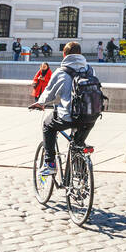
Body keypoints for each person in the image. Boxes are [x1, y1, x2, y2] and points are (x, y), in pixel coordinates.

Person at [33, 42, 104, 175]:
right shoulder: (90, 69)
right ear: (80, 54)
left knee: (48, 126)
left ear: (64, 55)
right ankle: (80, 175)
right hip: (90, 116)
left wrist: (40, 103)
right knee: (78, 143)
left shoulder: (61, 72)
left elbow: (49, 93)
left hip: (69, 116)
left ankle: (50, 163)